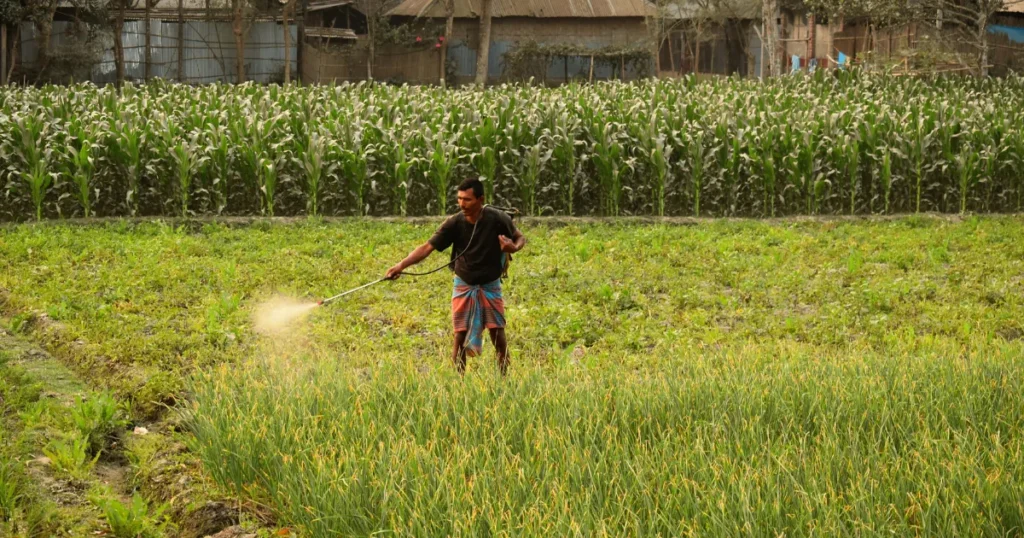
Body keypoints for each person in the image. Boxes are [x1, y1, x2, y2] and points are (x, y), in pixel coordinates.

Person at [386, 178, 526, 375]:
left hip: (490, 284)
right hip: (464, 283)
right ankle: (457, 383)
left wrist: (513, 247)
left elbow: (520, 237)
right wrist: (400, 266)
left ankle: (505, 379)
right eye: (459, 199)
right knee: (459, 335)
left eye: (467, 199)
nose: (462, 204)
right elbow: (427, 247)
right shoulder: (454, 222)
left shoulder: (497, 218)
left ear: (480, 199)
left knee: (497, 332)